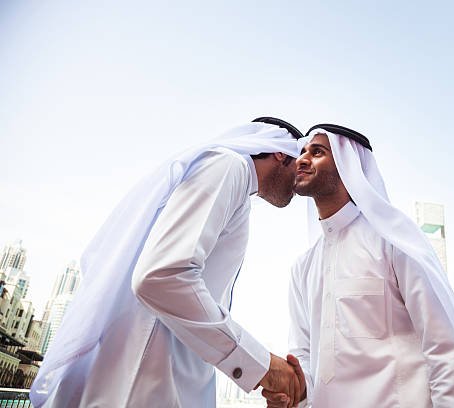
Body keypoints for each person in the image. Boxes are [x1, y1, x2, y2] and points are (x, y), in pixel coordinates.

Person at [31, 117, 306, 408]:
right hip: (142, 386)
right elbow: (161, 276)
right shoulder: (230, 166)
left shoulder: (234, 184)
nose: (300, 177)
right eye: (299, 160)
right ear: (279, 152)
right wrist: (262, 365)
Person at [263, 124, 454, 407]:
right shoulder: (302, 268)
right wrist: (293, 393)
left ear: (349, 166)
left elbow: (443, 350)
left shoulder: (394, 243)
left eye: (317, 152)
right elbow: (303, 355)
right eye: (301, 152)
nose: (301, 159)